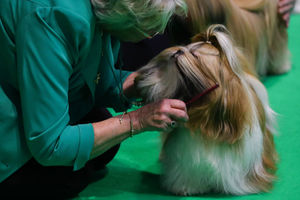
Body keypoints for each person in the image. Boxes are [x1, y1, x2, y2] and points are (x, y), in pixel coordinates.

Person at [0, 0, 188, 197]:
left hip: (31, 100)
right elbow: (50, 144)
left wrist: (144, 85)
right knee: (70, 175)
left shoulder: (105, 10)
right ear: (127, 15)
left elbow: (92, 79)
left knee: (104, 136)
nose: (153, 35)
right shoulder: (55, 19)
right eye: (150, 28)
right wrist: (138, 120)